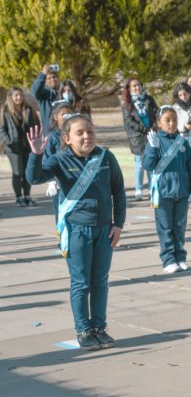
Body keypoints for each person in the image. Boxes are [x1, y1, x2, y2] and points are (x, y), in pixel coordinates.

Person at [26, 114, 126, 351]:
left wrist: (118, 224)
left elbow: (118, 192)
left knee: (100, 281)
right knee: (81, 283)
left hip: (104, 230)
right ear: (67, 138)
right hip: (77, 231)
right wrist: (36, 154)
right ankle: (83, 330)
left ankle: (99, 328)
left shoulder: (106, 157)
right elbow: (34, 177)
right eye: (80, 133)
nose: (86, 136)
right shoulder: (60, 160)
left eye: (90, 131)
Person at [143, 106, 191, 274]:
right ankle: (168, 259)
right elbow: (148, 165)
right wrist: (152, 148)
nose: (172, 123)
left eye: (174, 119)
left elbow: (190, 168)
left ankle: (180, 257)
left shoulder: (183, 142)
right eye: (167, 120)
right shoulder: (155, 141)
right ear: (159, 123)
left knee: (179, 228)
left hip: (181, 192)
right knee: (165, 228)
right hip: (162, 193)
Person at [0, 88, 40, 207]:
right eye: (16, 95)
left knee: (27, 172)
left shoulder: (28, 109)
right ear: (11, 97)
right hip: (12, 147)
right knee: (17, 172)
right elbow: (1, 129)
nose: (19, 98)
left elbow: (36, 125)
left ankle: (27, 196)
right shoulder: (5, 111)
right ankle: (19, 197)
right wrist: (8, 141)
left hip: (27, 146)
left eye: (21, 95)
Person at [121, 77, 158, 201]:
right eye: (134, 86)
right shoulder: (127, 104)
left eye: (138, 85)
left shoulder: (149, 99)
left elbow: (157, 113)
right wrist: (144, 130)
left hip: (151, 134)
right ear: (129, 89)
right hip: (138, 138)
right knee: (140, 164)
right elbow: (129, 122)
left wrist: (154, 127)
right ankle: (139, 190)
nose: (137, 88)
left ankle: (153, 188)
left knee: (152, 163)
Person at [44, 100, 74, 217]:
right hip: (58, 182)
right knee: (61, 214)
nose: (67, 118)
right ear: (56, 117)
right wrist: (50, 181)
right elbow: (46, 159)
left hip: (75, 179)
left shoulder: (75, 134)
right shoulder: (52, 137)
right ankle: (61, 236)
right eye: (63, 115)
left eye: (69, 115)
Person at [30, 64, 60, 132]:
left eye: (54, 77)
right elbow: (35, 91)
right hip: (50, 132)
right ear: (45, 81)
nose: (52, 79)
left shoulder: (63, 92)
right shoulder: (43, 94)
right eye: (49, 78)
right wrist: (43, 74)